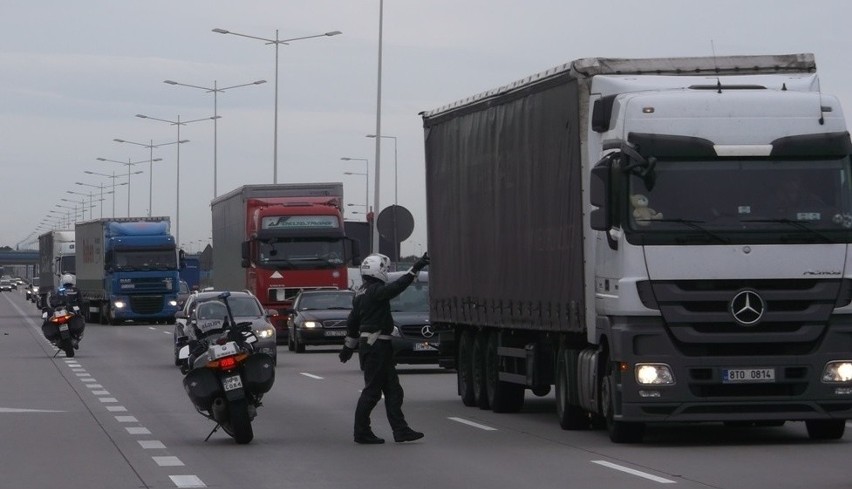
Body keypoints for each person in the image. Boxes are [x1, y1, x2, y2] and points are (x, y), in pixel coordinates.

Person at [339, 252, 430, 444]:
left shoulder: (361, 292)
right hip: (376, 346)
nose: (386, 273)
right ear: (377, 270)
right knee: (372, 392)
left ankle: (401, 430)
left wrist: (348, 347)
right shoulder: (375, 290)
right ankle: (362, 432)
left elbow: (352, 323)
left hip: (375, 346)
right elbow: (396, 288)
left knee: (393, 390)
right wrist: (415, 268)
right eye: (385, 269)